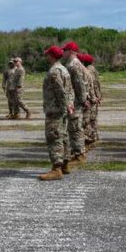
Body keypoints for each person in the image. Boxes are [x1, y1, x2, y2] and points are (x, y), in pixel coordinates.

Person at [39, 46, 74, 181]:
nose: (46, 56)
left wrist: (65, 106)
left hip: (55, 110)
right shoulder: (64, 69)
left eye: (48, 54)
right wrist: (69, 104)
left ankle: (56, 169)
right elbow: (70, 90)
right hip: (62, 109)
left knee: (54, 138)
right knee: (63, 136)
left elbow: (61, 92)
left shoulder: (54, 71)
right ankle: (65, 164)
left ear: (52, 56)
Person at [62, 41, 90, 165]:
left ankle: (79, 154)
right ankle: (77, 152)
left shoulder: (73, 65)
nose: (63, 52)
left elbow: (79, 84)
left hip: (76, 101)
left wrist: (83, 100)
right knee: (74, 127)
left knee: (75, 128)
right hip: (76, 100)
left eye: (65, 50)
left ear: (71, 51)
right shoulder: (74, 64)